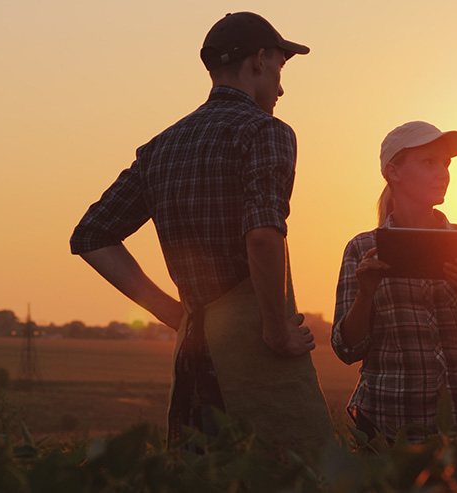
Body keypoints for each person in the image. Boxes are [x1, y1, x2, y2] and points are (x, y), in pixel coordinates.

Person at [69, 12, 333, 451]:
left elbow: (91, 236)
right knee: (289, 472)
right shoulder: (265, 131)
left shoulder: (160, 147)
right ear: (260, 60)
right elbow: (264, 235)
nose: (282, 88)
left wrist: (174, 313)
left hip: (193, 360)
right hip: (256, 361)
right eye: (280, 70)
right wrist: (276, 329)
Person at [331, 121, 457, 442]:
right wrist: (365, 294)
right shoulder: (361, 249)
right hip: (390, 425)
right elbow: (346, 349)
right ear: (393, 172)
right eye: (429, 162)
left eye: (446, 163)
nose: (443, 173)